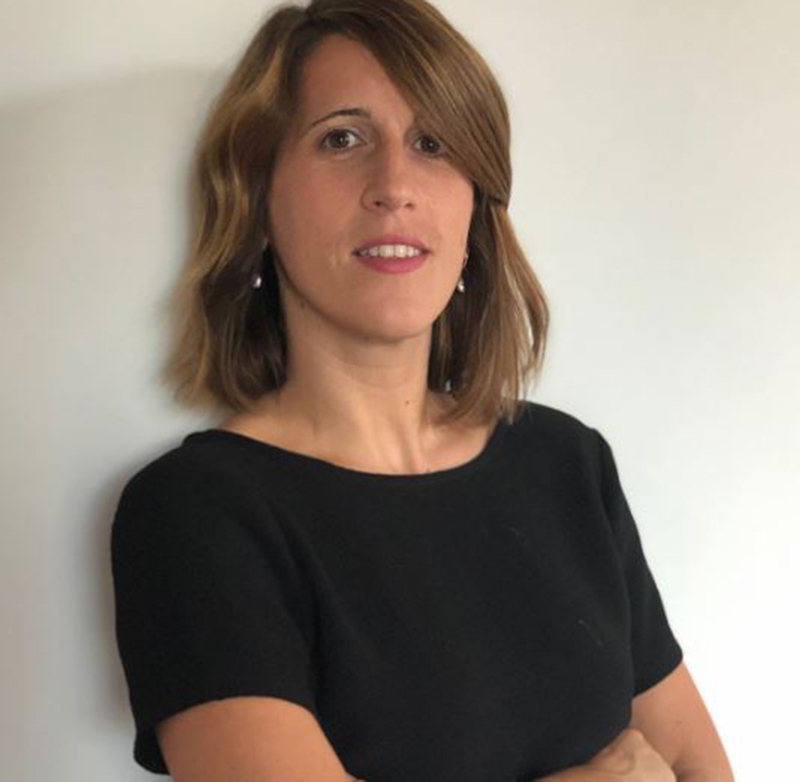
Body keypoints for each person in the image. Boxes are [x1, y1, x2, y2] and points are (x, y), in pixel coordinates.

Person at [110, 1, 734, 780]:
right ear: (258, 198)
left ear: (474, 211)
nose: (395, 185)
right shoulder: (197, 513)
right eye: (341, 138)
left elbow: (697, 764)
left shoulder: (566, 463)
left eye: (434, 144)